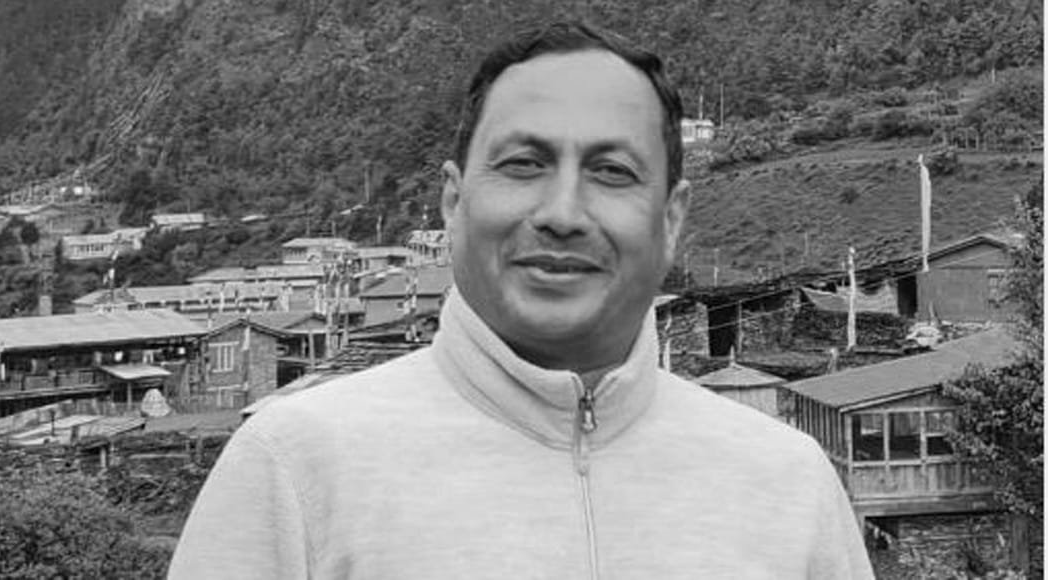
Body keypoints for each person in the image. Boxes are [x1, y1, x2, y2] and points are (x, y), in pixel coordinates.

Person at [169, 21, 874, 579]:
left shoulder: (788, 486)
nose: (562, 213)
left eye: (612, 171)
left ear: (670, 220)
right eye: (523, 164)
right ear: (454, 201)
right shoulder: (294, 470)